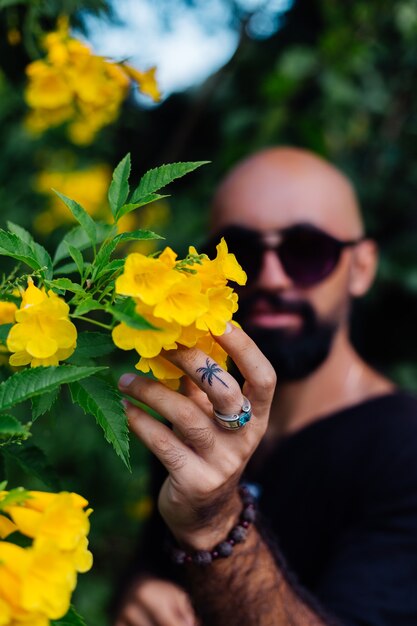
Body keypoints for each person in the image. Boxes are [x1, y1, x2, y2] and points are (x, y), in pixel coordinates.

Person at [114, 147, 417, 626]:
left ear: (361, 266)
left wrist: (216, 526)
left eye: (306, 250)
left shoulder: (405, 449)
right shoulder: (197, 407)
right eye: (242, 252)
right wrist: (138, 595)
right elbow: (155, 562)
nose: (271, 278)